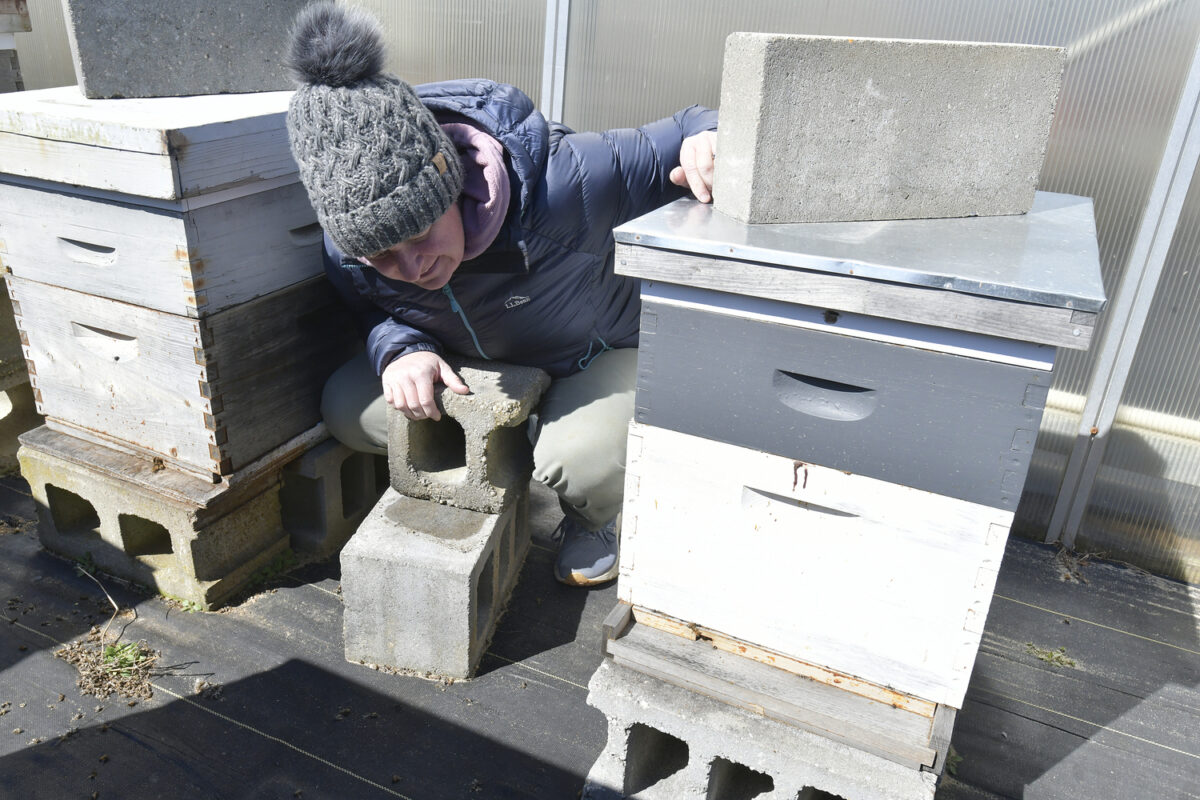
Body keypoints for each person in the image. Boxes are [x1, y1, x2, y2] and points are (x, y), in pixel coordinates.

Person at [285, 2, 717, 586]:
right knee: (345, 406)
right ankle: (503, 460)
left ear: (452, 183)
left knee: (579, 461)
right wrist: (400, 347)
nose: (411, 268)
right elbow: (370, 307)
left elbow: (692, 122)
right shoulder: (346, 254)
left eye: (421, 234)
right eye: (382, 256)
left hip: (597, 352)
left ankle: (593, 515)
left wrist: (709, 139)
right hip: (473, 365)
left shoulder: (569, 180)